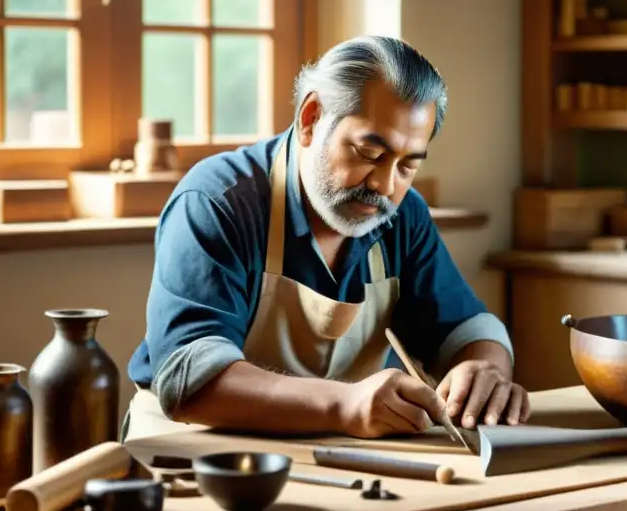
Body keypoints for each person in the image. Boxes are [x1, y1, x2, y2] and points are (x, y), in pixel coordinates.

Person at [122, 35, 529, 443]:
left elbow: (464, 329)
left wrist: (485, 370)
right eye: (370, 153)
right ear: (311, 118)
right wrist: (344, 405)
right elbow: (190, 379)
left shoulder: (404, 214)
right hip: (200, 453)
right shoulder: (218, 202)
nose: (385, 185)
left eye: (407, 166)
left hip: (347, 454)